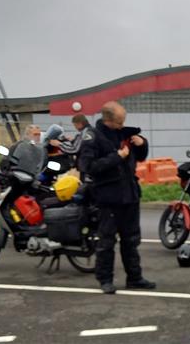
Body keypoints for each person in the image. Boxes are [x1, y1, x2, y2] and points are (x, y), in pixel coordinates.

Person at [77, 101, 155, 294]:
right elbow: (88, 166)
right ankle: (105, 279)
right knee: (106, 242)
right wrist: (116, 157)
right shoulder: (93, 137)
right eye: (119, 121)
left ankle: (135, 278)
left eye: (123, 121)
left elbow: (141, 156)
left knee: (131, 240)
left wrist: (142, 143)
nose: (122, 124)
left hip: (129, 195)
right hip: (108, 197)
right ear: (108, 119)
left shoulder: (124, 134)